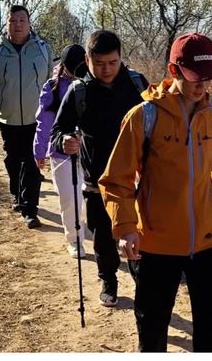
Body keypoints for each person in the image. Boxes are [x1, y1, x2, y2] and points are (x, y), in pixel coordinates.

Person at [98, 32, 212, 352]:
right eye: (196, 78)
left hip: (207, 240)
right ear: (174, 71)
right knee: (153, 328)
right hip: (156, 242)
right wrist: (126, 228)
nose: (202, 86)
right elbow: (117, 180)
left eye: (209, 78)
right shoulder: (144, 116)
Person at [50, 30, 147, 307]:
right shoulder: (78, 91)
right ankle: (109, 280)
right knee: (103, 239)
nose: (106, 70)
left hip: (136, 180)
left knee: (140, 236)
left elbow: (158, 121)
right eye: (100, 63)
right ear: (87, 59)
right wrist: (65, 141)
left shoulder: (136, 84)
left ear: (120, 58)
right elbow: (58, 130)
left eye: (112, 63)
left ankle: (143, 284)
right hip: (97, 181)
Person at [0, 5, 53, 229]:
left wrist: (55, 115)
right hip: (7, 119)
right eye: (13, 20)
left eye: (22, 20)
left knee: (31, 163)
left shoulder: (42, 49)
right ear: (7, 23)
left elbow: (51, 84)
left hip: (36, 119)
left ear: (29, 23)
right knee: (13, 161)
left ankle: (31, 209)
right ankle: (17, 195)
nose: (17, 25)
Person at [33, 44, 89, 258]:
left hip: (88, 152)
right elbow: (44, 122)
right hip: (60, 153)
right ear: (63, 66)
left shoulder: (92, 85)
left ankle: (84, 225)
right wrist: (39, 151)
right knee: (69, 198)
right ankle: (75, 240)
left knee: (87, 198)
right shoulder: (52, 88)